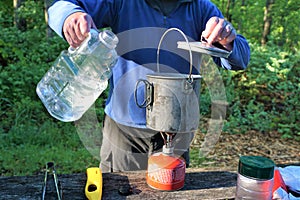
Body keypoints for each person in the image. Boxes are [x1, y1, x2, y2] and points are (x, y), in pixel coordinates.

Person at [48, 0, 250, 172]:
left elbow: (241, 58)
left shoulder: (200, 8)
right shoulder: (123, 3)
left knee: (169, 190)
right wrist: (70, 16)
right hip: (124, 132)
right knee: (118, 190)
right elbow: (60, 7)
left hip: (176, 131)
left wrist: (227, 40)